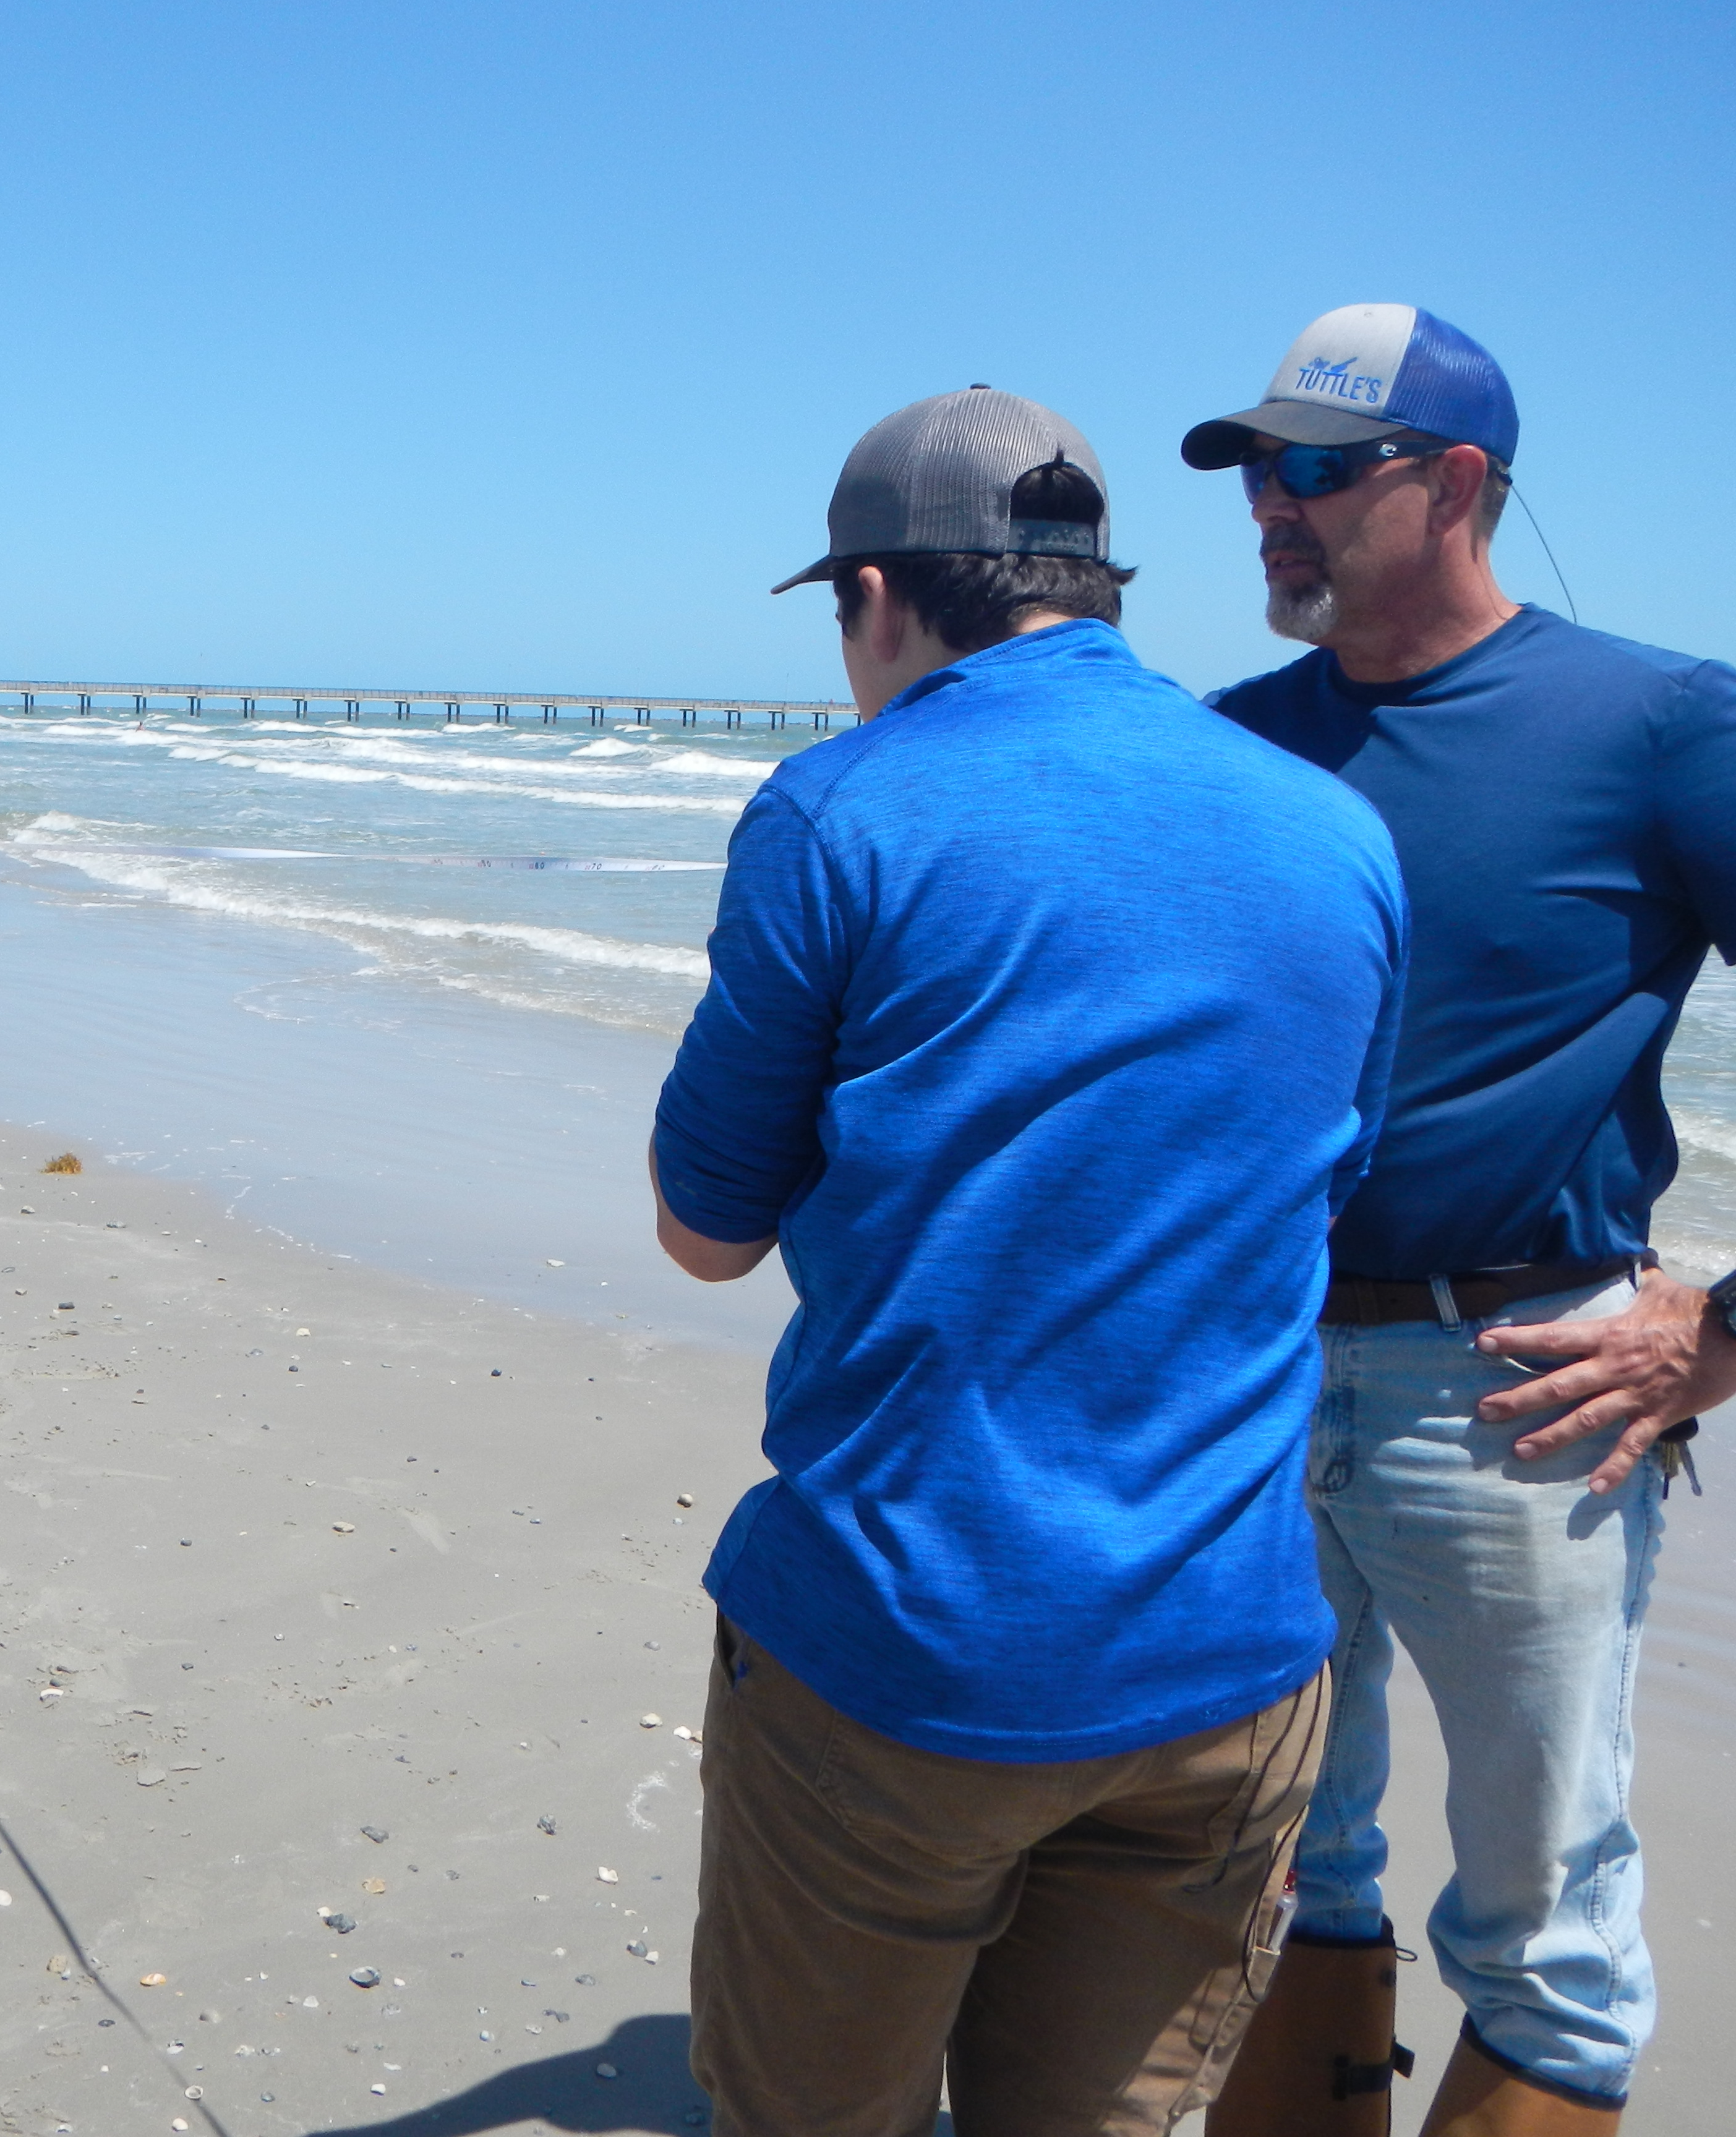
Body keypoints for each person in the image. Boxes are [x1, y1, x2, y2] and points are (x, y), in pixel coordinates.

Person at [651, 388, 1409, 2135]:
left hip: (911, 1652)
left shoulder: (839, 812)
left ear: (872, 594)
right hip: (1229, 1653)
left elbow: (705, 1233)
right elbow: (1327, 1175)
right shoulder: (1336, 833)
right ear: (1099, 586)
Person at [1185, 305, 1736, 2136]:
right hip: (1249, 1387)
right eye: (1260, 468)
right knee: (1268, 1872)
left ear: (1463, 484)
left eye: (1322, 470)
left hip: (1518, 1395)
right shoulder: (1232, 747)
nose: (1275, 503)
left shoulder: (1660, 726)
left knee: (1548, 1934)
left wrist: (1725, 1332)